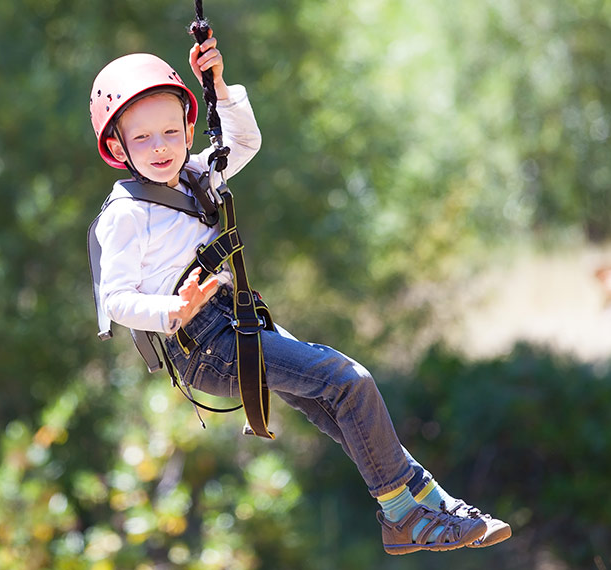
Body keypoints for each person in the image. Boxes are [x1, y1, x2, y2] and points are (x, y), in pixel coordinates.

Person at [88, 30, 512, 554]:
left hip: (236, 320)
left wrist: (218, 83)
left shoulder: (196, 174)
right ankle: (401, 516)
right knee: (348, 380)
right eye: (143, 139)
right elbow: (115, 299)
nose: (161, 148)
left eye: (171, 133)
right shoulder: (127, 214)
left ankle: (432, 502)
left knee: (336, 406)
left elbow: (244, 142)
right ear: (117, 147)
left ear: (188, 128)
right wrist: (173, 308)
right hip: (202, 344)